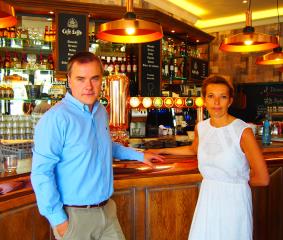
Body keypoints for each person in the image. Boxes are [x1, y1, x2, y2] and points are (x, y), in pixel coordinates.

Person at [31, 51, 164, 240]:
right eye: (80, 79)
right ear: (69, 80)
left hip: (107, 211)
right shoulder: (55, 119)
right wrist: (59, 222)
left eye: (94, 78)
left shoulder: (100, 110)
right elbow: (41, 173)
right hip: (75, 218)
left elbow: (104, 145)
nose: (88, 86)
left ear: (102, 79)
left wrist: (140, 155)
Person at [148, 75, 269, 240]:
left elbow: (262, 179)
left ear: (230, 101)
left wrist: (238, 181)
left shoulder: (242, 131)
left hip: (234, 201)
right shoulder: (202, 127)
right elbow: (194, 149)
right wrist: (164, 151)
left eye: (223, 97)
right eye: (211, 96)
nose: (217, 103)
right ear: (204, 100)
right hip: (208, 197)